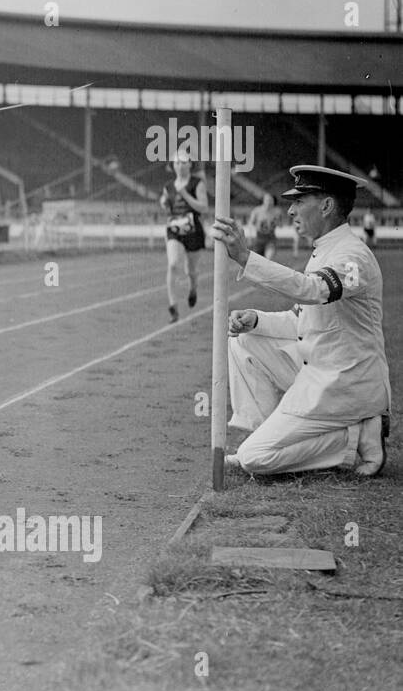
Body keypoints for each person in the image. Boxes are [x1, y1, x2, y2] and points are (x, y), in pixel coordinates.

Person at [212, 165, 390, 477]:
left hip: (347, 382)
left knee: (255, 460)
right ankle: (266, 436)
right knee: (244, 341)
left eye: (300, 201)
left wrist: (245, 257)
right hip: (320, 368)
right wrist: (256, 320)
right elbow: (302, 320)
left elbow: (314, 290)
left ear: (326, 205)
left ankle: (354, 438)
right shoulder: (325, 250)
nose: (291, 210)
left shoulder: (353, 257)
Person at [159, 150, 209, 322]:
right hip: (174, 230)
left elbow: (203, 208)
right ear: (172, 166)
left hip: (193, 231)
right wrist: (164, 204)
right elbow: (166, 205)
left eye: (183, 163)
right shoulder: (168, 187)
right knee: (173, 264)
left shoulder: (197, 183)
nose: (180, 166)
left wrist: (185, 194)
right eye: (177, 163)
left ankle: (193, 288)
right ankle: (173, 305)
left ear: (190, 165)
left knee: (191, 270)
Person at [247, 193, 284, 261]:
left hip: (271, 238)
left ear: (273, 201)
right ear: (263, 201)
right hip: (259, 238)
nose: (269, 202)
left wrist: (276, 221)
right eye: (267, 200)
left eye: (271, 200)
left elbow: (281, 225)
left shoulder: (277, 211)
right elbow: (250, 224)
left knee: (268, 259)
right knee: (258, 261)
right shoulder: (257, 210)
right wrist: (250, 237)